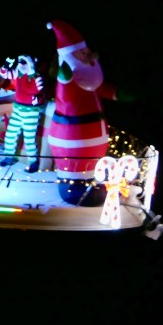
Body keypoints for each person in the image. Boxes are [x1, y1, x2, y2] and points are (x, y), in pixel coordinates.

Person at [46, 20, 133, 205]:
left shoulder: (90, 82)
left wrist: (117, 93)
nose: (88, 56)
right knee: (76, 168)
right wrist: (65, 80)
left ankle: (94, 184)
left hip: (94, 138)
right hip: (71, 136)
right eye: (82, 53)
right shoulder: (68, 85)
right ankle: (71, 189)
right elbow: (66, 99)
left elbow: (102, 88)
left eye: (86, 51)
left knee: (92, 164)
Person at [0, 55, 46, 172]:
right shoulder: (18, 73)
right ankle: (9, 157)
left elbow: (35, 90)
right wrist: (6, 64)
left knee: (29, 139)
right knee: (10, 134)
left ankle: (33, 162)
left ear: (30, 64)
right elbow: (4, 74)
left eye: (24, 62)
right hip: (18, 110)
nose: (20, 65)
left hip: (31, 113)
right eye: (20, 62)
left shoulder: (37, 77)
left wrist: (31, 72)